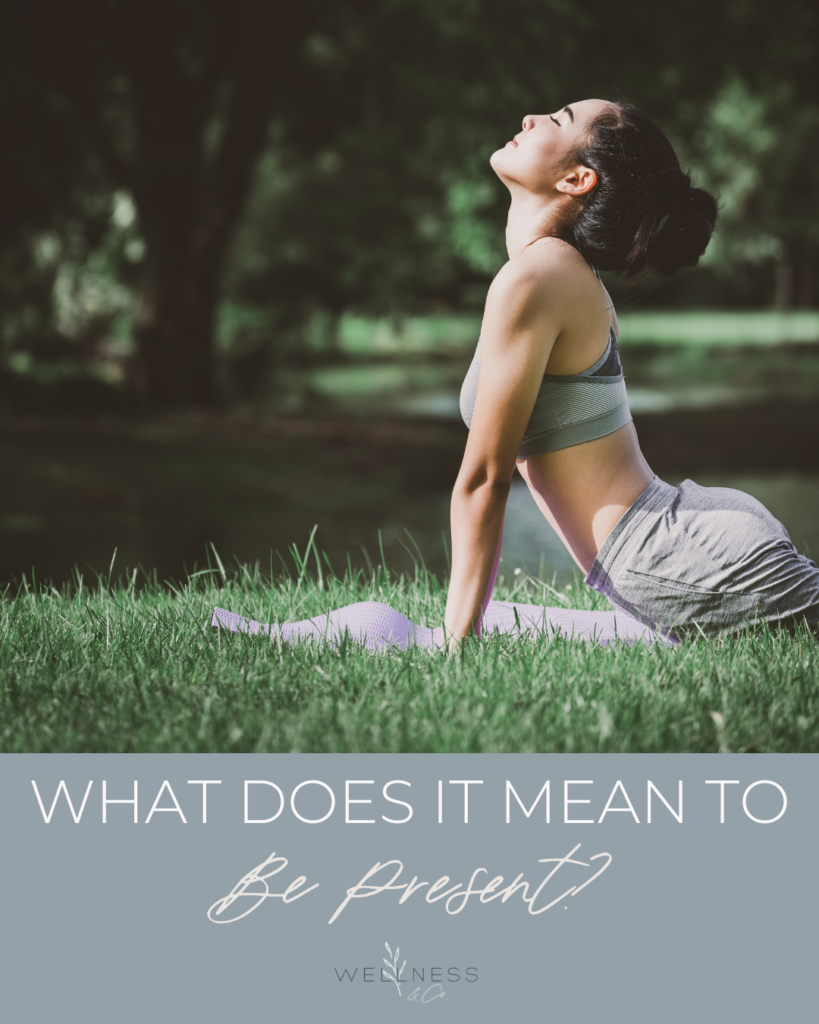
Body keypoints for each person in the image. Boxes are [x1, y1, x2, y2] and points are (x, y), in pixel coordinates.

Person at [445, 99, 819, 646]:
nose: (531, 118)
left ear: (577, 178)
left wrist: (458, 644)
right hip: (683, 545)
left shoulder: (540, 275)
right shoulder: (559, 273)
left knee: (415, 632)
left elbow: (484, 479)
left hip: (676, 556)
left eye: (558, 119)